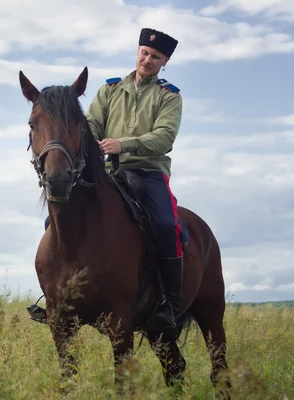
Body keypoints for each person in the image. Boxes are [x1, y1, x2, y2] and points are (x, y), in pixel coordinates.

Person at [86, 27, 184, 334]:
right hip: (109, 172)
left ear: (164, 61)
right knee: (61, 216)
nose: (147, 60)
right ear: (137, 51)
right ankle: (58, 294)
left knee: (167, 226)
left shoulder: (169, 96)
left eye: (155, 56)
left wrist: (123, 144)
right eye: (144, 52)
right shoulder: (110, 89)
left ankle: (169, 304)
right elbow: (91, 124)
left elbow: (164, 137)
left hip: (148, 172)